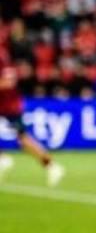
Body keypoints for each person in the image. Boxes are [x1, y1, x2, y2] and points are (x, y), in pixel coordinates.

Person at [0, 43, 65, 186]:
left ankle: (51, 165)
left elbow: (8, 82)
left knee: (23, 140)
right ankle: (3, 158)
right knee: (23, 140)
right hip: (7, 103)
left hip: (9, 105)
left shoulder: (2, 58)